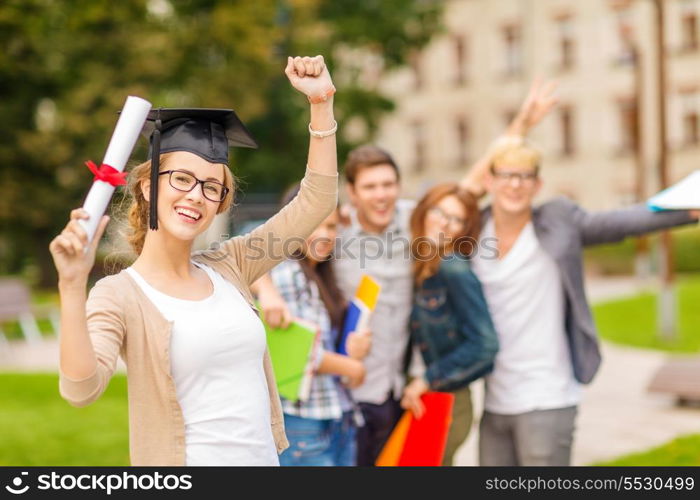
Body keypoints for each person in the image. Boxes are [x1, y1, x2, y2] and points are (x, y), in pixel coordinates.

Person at [49, 55, 340, 466]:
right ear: (148, 186)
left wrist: (321, 101)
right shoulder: (119, 295)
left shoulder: (233, 265)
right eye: (182, 179)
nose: (195, 196)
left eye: (211, 187)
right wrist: (71, 285)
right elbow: (80, 390)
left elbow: (317, 200)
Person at [463, 82, 700, 466]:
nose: (515, 184)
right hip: (495, 398)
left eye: (525, 176)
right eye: (505, 174)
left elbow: (623, 221)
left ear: (537, 185)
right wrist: (521, 123)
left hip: (549, 395)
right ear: (490, 182)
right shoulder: (472, 230)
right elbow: (460, 193)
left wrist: (686, 209)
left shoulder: (558, 220)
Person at [252, 183, 371, 466]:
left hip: (335, 416)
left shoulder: (322, 275)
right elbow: (294, 352)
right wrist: (351, 367)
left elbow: (322, 341)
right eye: (315, 225)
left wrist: (355, 347)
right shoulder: (287, 272)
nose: (326, 235)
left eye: (331, 227)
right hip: (303, 422)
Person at [399, 183, 499, 466]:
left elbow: (486, 345)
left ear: (463, 230)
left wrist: (428, 378)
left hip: (443, 401)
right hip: (417, 397)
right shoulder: (420, 262)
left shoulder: (453, 268)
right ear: (424, 210)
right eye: (438, 211)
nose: (443, 222)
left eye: (455, 219)